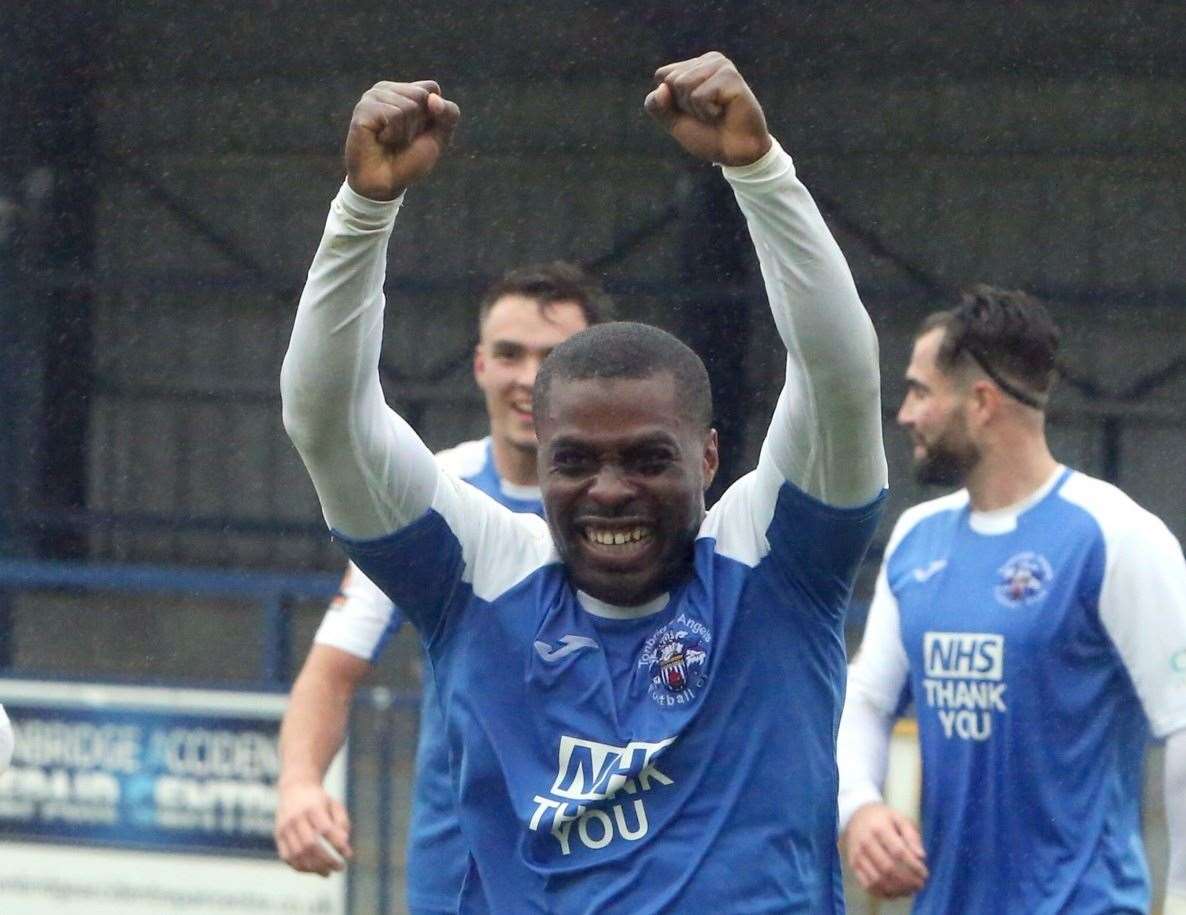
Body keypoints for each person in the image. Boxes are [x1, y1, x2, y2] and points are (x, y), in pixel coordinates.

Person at [281, 51, 887, 912]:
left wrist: (760, 172)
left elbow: (837, 372)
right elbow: (327, 423)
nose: (609, 489)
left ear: (709, 459)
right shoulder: (481, 577)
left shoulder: (778, 563)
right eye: (576, 461)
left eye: (647, 459)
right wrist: (362, 210)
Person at [274, 262, 610, 914]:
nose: (529, 377)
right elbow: (331, 670)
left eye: (555, 356)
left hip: (612, 871)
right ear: (481, 365)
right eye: (509, 354)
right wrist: (298, 783)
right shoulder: (433, 493)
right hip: (460, 880)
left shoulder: (643, 501)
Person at [837, 287, 1186, 914]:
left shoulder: (1115, 537)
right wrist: (857, 806)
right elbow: (864, 698)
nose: (905, 415)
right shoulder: (918, 539)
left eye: (920, 391)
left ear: (980, 402)